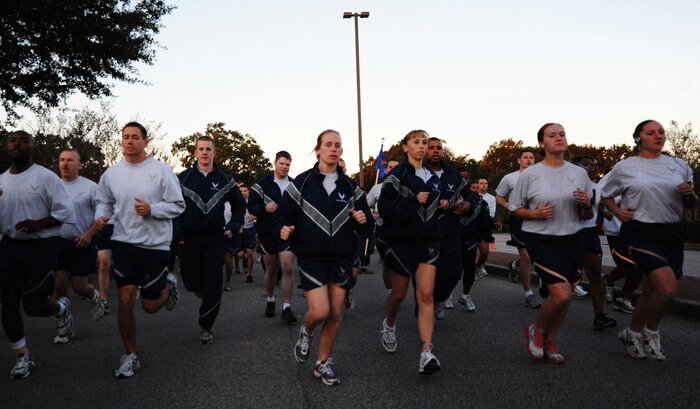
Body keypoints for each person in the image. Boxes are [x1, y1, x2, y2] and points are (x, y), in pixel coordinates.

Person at [279, 129, 372, 385]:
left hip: (342, 256)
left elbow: (367, 225)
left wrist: (364, 220)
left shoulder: (351, 187)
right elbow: (284, 215)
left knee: (335, 315)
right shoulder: (302, 182)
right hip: (311, 256)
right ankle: (307, 332)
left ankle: (322, 363)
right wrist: (284, 227)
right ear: (318, 149)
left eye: (338, 145)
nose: (333, 148)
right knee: (320, 311)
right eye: (328, 144)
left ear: (341, 151)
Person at [95, 122, 186, 378]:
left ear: (146, 142)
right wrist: (101, 215)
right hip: (124, 243)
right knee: (124, 298)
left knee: (149, 306)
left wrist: (153, 210)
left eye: (135, 137)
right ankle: (130, 354)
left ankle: (168, 287)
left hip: (155, 246)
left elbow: (178, 205)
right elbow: (103, 201)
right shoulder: (111, 174)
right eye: (126, 137)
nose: (130, 141)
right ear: (121, 142)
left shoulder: (160, 171)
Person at [602, 119, 697, 361]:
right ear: (639, 138)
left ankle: (631, 333)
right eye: (651, 132)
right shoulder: (626, 167)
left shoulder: (679, 166)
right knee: (668, 288)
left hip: (672, 233)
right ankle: (651, 332)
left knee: (652, 290)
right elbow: (606, 194)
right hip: (640, 232)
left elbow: (691, 205)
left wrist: (690, 195)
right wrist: (617, 212)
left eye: (661, 131)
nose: (658, 135)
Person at [511, 123, 593, 365]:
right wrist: (535, 214)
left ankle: (550, 340)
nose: (559, 138)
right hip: (542, 239)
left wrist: (586, 203)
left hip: (572, 238)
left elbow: (586, 214)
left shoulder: (579, 174)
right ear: (542, 144)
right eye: (552, 135)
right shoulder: (530, 174)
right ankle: (536, 330)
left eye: (562, 134)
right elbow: (515, 209)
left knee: (564, 293)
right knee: (563, 293)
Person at [0, 130, 75, 379]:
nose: (17, 144)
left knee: (33, 306)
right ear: (7, 146)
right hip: (10, 248)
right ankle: (23, 356)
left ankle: (60, 308)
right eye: (13, 140)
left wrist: (38, 224)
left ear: (32, 146)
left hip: (40, 248)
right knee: (8, 303)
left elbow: (64, 211)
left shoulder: (44, 177)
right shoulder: (1, 181)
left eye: (23, 140)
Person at [378, 129, 449, 375]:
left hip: (429, 240)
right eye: (416, 142)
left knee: (426, 294)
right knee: (398, 294)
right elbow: (385, 208)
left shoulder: (434, 176)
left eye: (425, 142)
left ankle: (426, 352)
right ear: (406, 147)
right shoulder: (396, 175)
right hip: (401, 241)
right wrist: (413, 200)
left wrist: (442, 204)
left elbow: (433, 205)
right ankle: (389, 323)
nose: (422, 146)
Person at [178, 136, 246, 344]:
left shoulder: (225, 179)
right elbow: (173, 207)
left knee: (213, 283)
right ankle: (198, 289)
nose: (205, 152)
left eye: (209, 149)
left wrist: (233, 227)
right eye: (201, 149)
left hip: (215, 238)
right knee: (190, 281)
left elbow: (239, 205)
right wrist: (177, 235)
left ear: (214, 153)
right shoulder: (183, 178)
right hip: (189, 239)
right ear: (195, 152)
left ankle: (206, 326)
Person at [52, 149, 106, 344]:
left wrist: (89, 234)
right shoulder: (52, 186)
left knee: (79, 287)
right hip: (57, 242)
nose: (65, 164)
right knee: (58, 283)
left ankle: (94, 296)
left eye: (70, 160)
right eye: (62, 160)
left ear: (79, 164)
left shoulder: (90, 187)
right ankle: (65, 324)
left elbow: (102, 217)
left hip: (81, 242)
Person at [425, 137, 471, 319]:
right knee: (425, 278)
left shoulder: (453, 174)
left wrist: (466, 204)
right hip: (424, 234)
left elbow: (469, 196)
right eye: (431, 148)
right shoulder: (415, 173)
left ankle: (439, 299)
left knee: (453, 273)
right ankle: (425, 317)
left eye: (439, 148)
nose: (435, 151)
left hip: (450, 232)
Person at [249, 151, 297, 322]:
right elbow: (251, 206)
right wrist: (264, 209)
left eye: (287, 164)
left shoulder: (294, 185)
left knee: (287, 267)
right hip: (267, 231)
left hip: (286, 232)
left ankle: (287, 307)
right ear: (275, 163)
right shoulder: (262, 184)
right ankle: (270, 299)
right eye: (282, 163)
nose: (284, 167)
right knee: (271, 269)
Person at [572, 156, 617, 330]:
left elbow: (598, 206)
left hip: (589, 234)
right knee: (565, 276)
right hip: (569, 232)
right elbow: (584, 214)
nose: (589, 168)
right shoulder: (568, 187)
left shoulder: (597, 188)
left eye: (592, 165)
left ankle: (599, 317)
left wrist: (606, 213)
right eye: (585, 165)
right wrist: (587, 208)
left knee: (595, 276)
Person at [495, 149, 542, 308]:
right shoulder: (510, 178)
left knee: (534, 256)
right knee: (527, 258)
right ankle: (529, 294)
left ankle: (514, 265)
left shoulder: (541, 177)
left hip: (536, 220)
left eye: (532, 158)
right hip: (518, 220)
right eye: (525, 157)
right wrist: (507, 204)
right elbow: (499, 195)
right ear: (519, 160)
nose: (529, 160)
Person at [598, 172, 641, 314]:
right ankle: (607, 280)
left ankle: (623, 299)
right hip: (616, 230)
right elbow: (599, 194)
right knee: (629, 265)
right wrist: (608, 210)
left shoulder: (650, 175)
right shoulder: (619, 171)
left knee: (641, 267)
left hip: (637, 230)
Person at [366, 158, 399, 289]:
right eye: (390, 167)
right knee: (388, 262)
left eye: (396, 167)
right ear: (385, 170)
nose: (393, 170)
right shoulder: (376, 189)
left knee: (398, 261)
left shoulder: (409, 187)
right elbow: (365, 206)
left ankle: (397, 289)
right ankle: (391, 289)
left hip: (401, 231)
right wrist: (372, 215)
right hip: (382, 230)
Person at [225, 184, 256, 290]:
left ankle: (249, 274)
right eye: (240, 191)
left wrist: (255, 217)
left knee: (250, 252)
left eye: (245, 190)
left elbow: (259, 213)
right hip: (233, 231)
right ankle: (238, 264)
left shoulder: (252, 203)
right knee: (240, 254)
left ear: (248, 192)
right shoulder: (230, 203)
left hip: (249, 230)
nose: (243, 192)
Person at [475, 178, 496, 278]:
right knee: (471, 252)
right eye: (481, 183)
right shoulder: (473, 196)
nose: (484, 185)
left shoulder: (491, 198)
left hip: (484, 229)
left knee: (484, 253)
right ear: (478, 185)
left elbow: (491, 215)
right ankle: (471, 270)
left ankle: (480, 266)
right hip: (472, 228)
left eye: (486, 183)